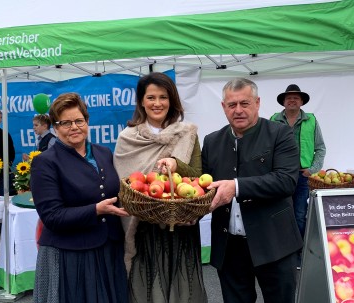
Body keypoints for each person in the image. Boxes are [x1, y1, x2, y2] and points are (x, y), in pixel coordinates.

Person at [202, 78, 302, 303]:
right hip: (230, 248)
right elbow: (203, 186)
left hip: (274, 243)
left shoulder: (280, 134)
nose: (238, 110)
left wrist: (236, 186)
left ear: (257, 103)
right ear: (223, 107)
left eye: (244, 103)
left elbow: (286, 180)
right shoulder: (212, 141)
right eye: (232, 105)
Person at [114, 72, 207, 303]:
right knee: (149, 289)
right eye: (151, 97)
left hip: (180, 226)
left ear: (172, 100)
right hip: (146, 228)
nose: (157, 103)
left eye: (163, 97)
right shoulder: (128, 138)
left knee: (183, 290)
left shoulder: (187, 134)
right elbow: (125, 186)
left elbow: (198, 176)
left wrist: (177, 164)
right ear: (142, 102)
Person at [30, 92, 129, 303]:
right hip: (71, 255)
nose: (74, 127)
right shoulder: (45, 162)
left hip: (109, 249)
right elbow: (52, 216)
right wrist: (95, 210)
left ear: (87, 122)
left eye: (78, 121)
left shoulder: (104, 153)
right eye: (65, 123)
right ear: (55, 128)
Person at [270, 84, 326, 249]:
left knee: (300, 214)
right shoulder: (274, 120)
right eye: (289, 98)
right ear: (284, 102)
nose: (292, 100)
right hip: (280, 175)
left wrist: (312, 170)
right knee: (280, 213)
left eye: (296, 98)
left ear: (301, 102)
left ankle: (299, 251)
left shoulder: (312, 120)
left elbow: (320, 148)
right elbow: (266, 147)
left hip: (302, 176)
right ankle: (282, 250)